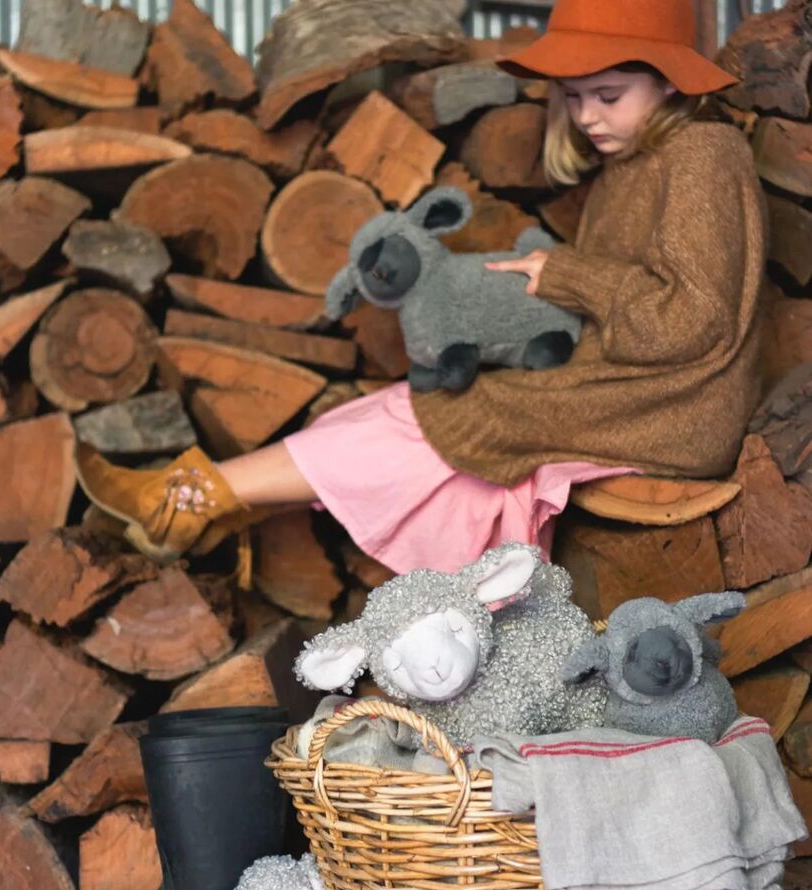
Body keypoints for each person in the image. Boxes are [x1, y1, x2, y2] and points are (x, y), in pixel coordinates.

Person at [76, 0, 767, 575]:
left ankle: (189, 497)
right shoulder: (638, 158)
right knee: (427, 409)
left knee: (450, 412)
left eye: (608, 97)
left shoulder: (702, 153)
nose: (587, 118)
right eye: (575, 97)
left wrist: (565, 274)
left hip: (675, 404)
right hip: (636, 385)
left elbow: (689, 320)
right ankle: (205, 505)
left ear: (671, 83)